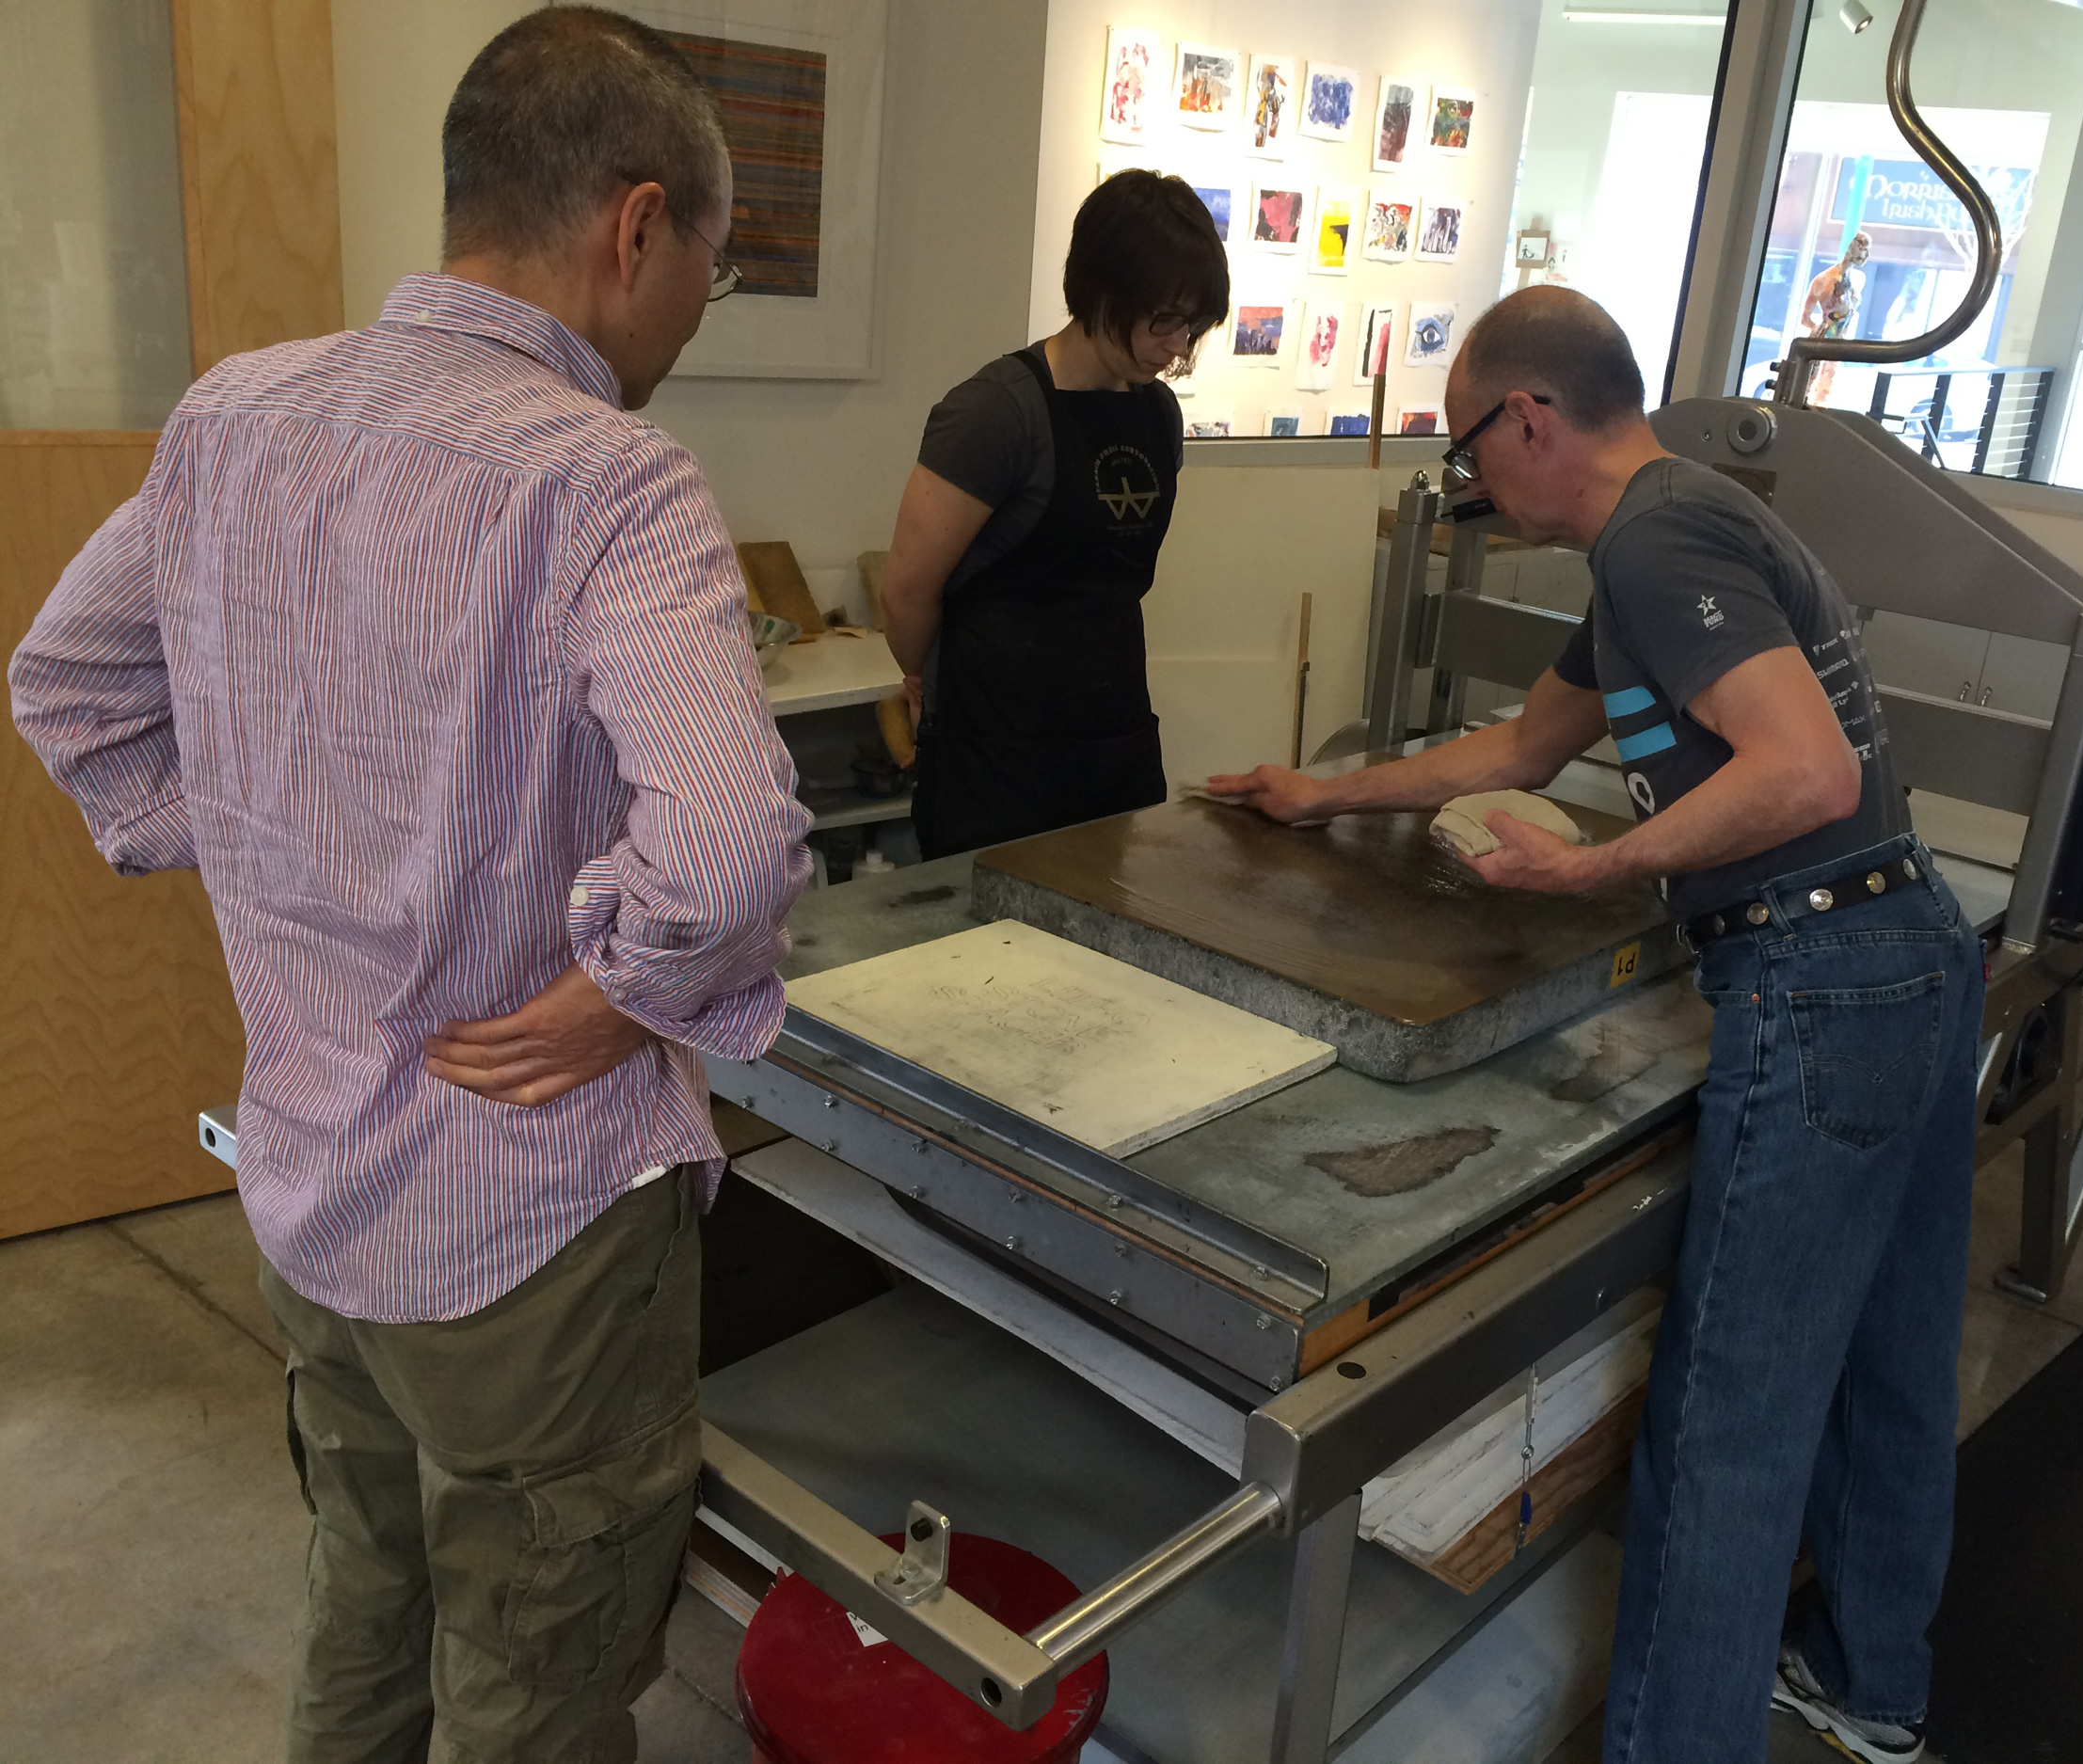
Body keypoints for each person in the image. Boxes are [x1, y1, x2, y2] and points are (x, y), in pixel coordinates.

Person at [8, 9, 810, 1759]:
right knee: (541, 1673)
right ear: (634, 226)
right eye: (711, 269)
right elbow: (733, 850)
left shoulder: (234, 418)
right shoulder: (609, 482)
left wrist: (276, 850)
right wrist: (627, 990)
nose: (692, 309)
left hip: (308, 1171)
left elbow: (65, 682)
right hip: (530, 1223)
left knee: (364, 1595)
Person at [1207, 286, 1980, 1764]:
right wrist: (1322, 792)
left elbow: (1805, 773)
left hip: (1817, 979)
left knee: (1727, 1420)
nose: (1474, 489)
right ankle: (1872, 1683)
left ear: (1531, 416)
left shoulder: (1655, 538)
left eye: (1469, 450)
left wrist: (1594, 866)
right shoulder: (1675, 521)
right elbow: (1519, 744)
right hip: (1914, 952)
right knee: (1888, 1354)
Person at [879, 169, 1229, 857]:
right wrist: (920, 679)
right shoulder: (994, 414)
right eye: (1166, 319)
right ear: (1104, 289)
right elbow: (906, 590)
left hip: (1115, 746)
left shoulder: (1158, 415)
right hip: (996, 762)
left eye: (1194, 324)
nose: (1180, 346)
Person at [1799, 229, 1873, 401]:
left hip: (1840, 344)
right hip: (1823, 341)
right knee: (1810, 388)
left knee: (1825, 391)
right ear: (1853, 247)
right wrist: (1817, 328)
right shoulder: (1823, 280)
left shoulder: (1858, 279)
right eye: (1864, 248)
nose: (1867, 255)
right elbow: (1805, 318)